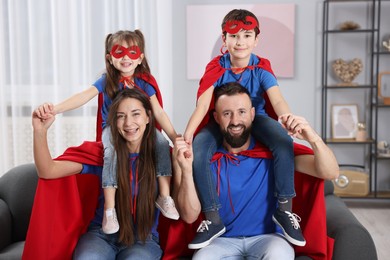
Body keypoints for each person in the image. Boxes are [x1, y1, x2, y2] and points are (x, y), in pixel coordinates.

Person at [34, 30, 179, 235]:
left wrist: (175, 138)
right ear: (109, 58)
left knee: (163, 144)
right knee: (110, 152)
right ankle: (109, 209)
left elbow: (158, 112)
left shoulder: (146, 82)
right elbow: (83, 96)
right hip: (112, 129)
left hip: (143, 133)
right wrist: (55, 109)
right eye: (119, 52)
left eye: (132, 51)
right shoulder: (107, 81)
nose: (126, 57)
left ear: (140, 58)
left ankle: (164, 196)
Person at [174, 82, 339, 258]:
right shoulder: (205, 160)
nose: (235, 121)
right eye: (227, 114)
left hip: (269, 239)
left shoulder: (274, 155)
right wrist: (185, 170)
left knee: (279, 256)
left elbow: (331, 172)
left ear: (253, 114)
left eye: (242, 112)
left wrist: (313, 138)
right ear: (216, 118)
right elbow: (189, 216)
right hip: (220, 242)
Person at [183, 9, 301, 248]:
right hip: (223, 120)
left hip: (255, 118)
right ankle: (213, 218)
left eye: (247, 35)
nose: (240, 42)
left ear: (256, 39)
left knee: (282, 142)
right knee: (200, 148)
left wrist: (286, 116)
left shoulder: (261, 67)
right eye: (234, 36)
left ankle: (284, 209)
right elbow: (203, 103)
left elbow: (276, 99)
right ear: (224, 38)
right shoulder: (216, 67)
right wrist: (188, 133)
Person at [32, 88, 163, 259]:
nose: (128, 123)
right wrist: (39, 131)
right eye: (120, 116)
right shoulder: (101, 154)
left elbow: (188, 211)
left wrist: (186, 168)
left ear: (148, 117)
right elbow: (48, 171)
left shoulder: (163, 158)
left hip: (143, 240)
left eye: (136, 114)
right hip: (101, 236)